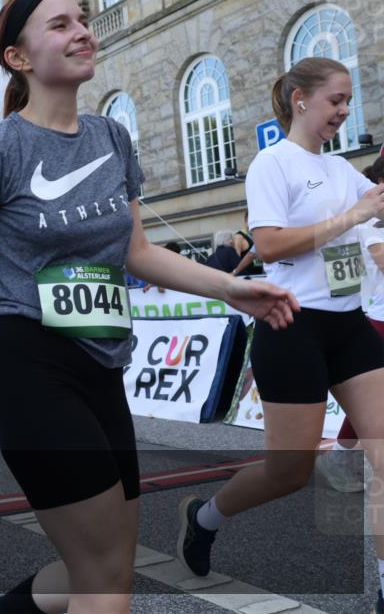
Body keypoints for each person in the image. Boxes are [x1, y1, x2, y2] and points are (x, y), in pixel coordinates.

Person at [0, 0, 298, 614]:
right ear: (18, 57)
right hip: (31, 369)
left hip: (103, 369)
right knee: (101, 580)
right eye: (60, 25)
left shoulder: (112, 139)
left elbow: (137, 252)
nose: (83, 32)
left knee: (107, 568)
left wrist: (230, 287)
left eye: (84, 20)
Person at [176, 57, 384, 613]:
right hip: (290, 326)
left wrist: (366, 220)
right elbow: (267, 246)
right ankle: (205, 516)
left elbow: (375, 231)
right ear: (300, 99)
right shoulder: (274, 163)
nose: (344, 110)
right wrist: (351, 216)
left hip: (350, 329)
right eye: (336, 100)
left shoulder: (345, 172)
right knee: (287, 472)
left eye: (347, 101)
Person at [317, 154, 384, 494]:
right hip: (379, 319)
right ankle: (340, 457)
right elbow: (381, 260)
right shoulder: (372, 219)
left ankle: (342, 457)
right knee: (371, 402)